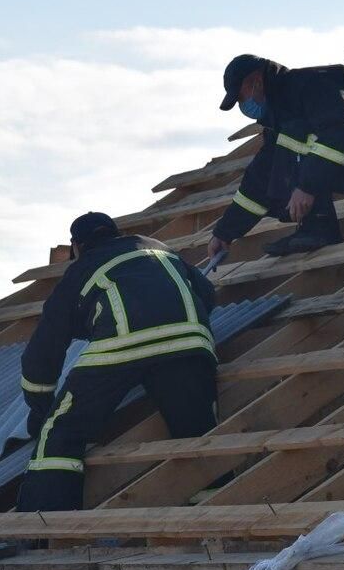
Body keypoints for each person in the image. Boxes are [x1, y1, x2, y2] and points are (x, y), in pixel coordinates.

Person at [15, 212, 218, 512]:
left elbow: (45, 348)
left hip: (122, 344)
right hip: (190, 341)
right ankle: (213, 513)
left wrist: (40, 406)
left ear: (76, 246)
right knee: (199, 433)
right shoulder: (158, 247)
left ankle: (46, 525)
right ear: (116, 233)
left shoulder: (82, 268)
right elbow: (207, 293)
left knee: (60, 434)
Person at [208, 54, 344, 258]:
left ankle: (319, 227)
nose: (243, 105)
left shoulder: (314, 84)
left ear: (257, 81)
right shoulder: (282, 114)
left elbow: (341, 132)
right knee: (277, 169)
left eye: (241, 96)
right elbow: (261, 176)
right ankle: (313, 226)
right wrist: (224, 233)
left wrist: (306, 187)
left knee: (301, 140)